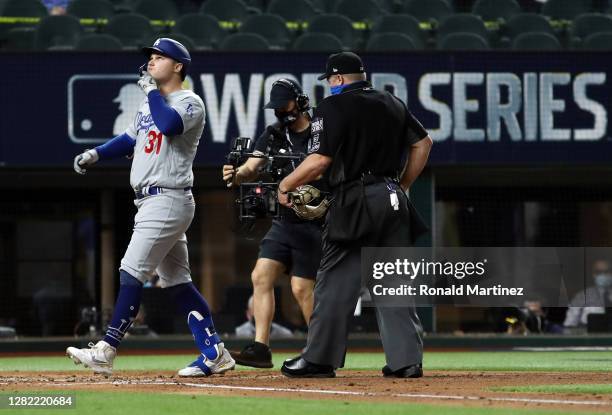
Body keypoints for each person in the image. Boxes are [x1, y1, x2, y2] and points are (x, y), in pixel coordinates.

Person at [66, 38, 235, 377]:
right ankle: (214, 352)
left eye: (160, 57)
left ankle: (106, 349)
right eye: (151, 57)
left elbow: (170, 125)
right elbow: (129, 137)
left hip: (168, 197)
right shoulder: (149, 104)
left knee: (131, 272)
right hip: (150, 200)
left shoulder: (191, 102)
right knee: (178, 282)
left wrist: (151, 94)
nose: (152, 62)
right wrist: (97, 153)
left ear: (178, 66)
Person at [277, 52, 433, 378]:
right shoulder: (391, 101)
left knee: (333, 281)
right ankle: (407, 362)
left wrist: (286, 183)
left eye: (330, 81)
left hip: (355, 199)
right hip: (392, 198)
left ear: (336, 79)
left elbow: (320, 160)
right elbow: (423, 144)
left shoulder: (332, 106)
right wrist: (401, 184)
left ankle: (319, 359)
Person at [222, 79, 323, 368]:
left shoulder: (319, 132)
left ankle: (320, 348)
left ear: (299, 102)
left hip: (313, 220)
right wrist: (236, 174)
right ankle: (261, 347)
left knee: (302, 288)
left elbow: (324, 165)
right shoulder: (274, 134)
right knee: (261, 276)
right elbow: (252, 166)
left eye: (285, 104)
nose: (281, 111)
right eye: (276, 107)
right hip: (284, 220)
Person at [564, 259, 612, 329]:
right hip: (589, 337)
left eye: (606, 271)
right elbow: (569, 324)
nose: (603, 275)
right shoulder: (582, 296)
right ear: (593, 274)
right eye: (598, 272)